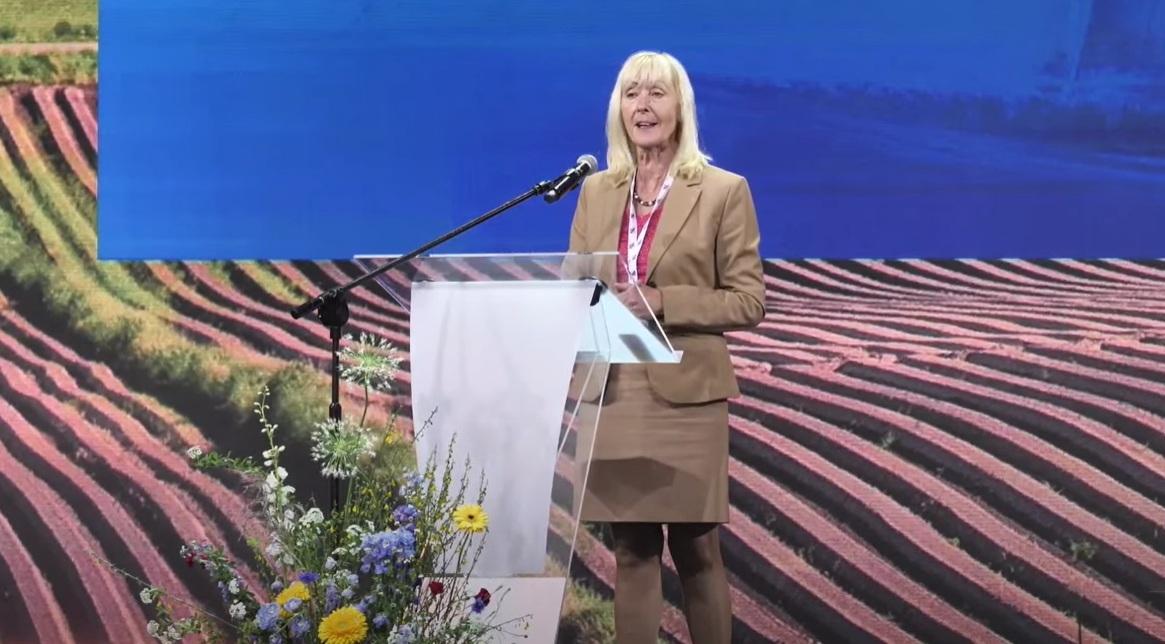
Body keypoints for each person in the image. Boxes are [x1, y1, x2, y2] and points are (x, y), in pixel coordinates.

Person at [568, 51, 766, 644]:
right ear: (618, 109)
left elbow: (748, 300)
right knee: (630, 549)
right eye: (632, 93)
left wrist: (664, 301)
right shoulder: (596, 191)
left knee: (696, 548)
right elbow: (575, 281)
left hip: (685, 397)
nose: (643, 105)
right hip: (613, 391)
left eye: (657, 93)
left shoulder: (723, 191)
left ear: (681, 107)